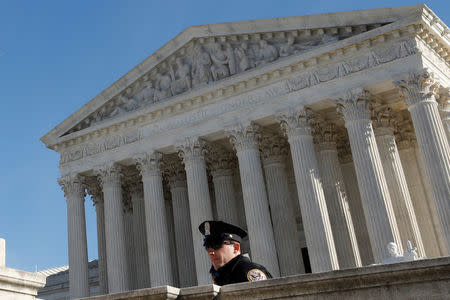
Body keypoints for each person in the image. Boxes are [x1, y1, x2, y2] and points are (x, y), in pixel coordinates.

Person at [198, 220, 272, 285]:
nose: (211, 252)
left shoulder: (250, 272)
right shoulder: (221, 276)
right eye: (208, 247)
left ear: (235, 248)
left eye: (216, 245)